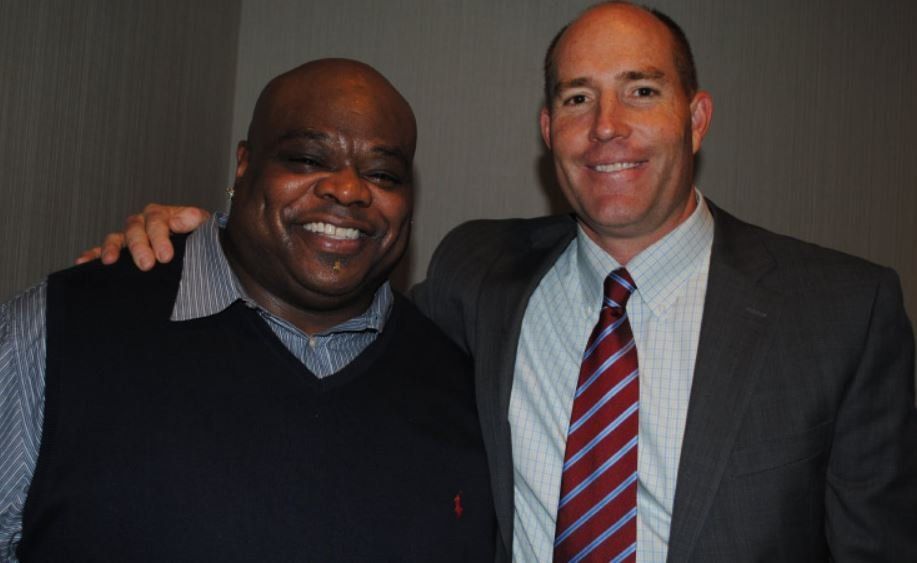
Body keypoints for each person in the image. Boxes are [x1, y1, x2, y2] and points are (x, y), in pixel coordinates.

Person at [80, 2, 917, 562]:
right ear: (547, 129)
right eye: (578, 97)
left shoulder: (843, 311)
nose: (607, 128)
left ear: (694, 117)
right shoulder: (476, 271)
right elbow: (330, 330)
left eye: (641, 91)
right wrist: (212, 245)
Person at [0, 59, 497, 561]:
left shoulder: (464, 386)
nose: (348, 189)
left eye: (383, 173)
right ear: (244, 164)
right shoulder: (60, 331)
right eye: (306, 158)